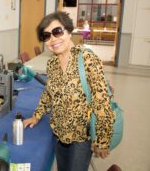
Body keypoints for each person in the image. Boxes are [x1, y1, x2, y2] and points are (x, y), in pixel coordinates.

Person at [23, 11, 115, 171]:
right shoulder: (52, 63)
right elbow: (48, 92)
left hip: (81, 138)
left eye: (57, 31)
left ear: (69, 31)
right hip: (58, 134)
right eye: (46, 36)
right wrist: (37, 116)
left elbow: (102, 101)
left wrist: (102, 139)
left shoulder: (87, 59)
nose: (53, 39)